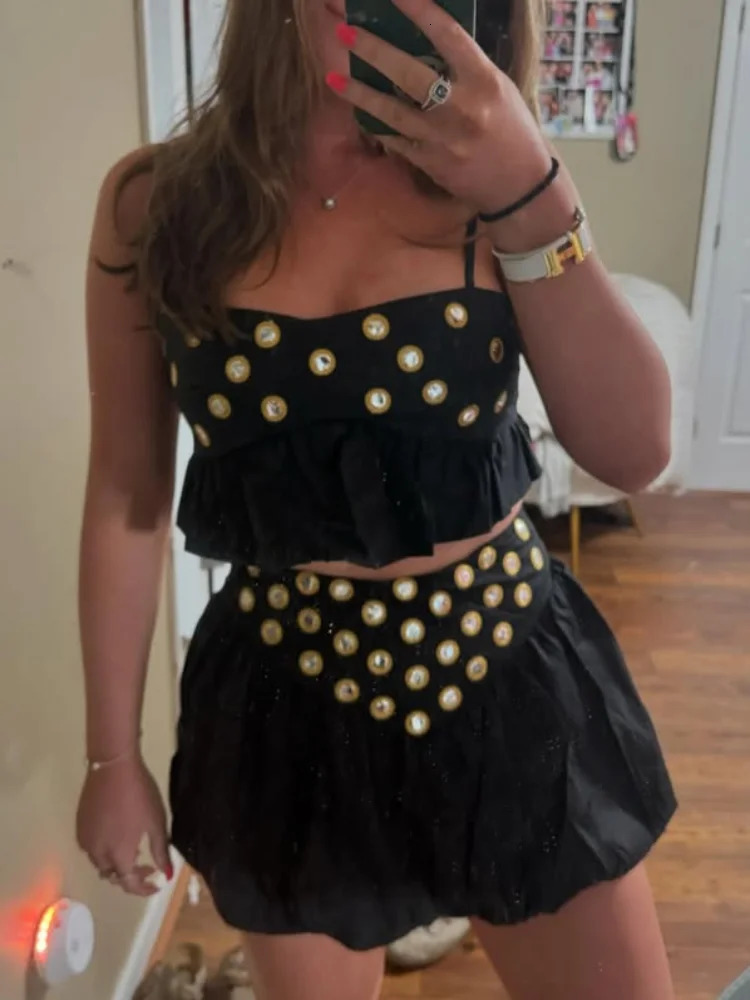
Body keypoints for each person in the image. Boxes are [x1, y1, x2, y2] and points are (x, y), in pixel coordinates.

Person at [76, 1, 677, 998]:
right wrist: (111, 758)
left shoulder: (501, 175)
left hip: (508, 683)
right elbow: (125, 494)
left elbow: (635, 452)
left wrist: (532, 193)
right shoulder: (158, 203)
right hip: (284, 707)